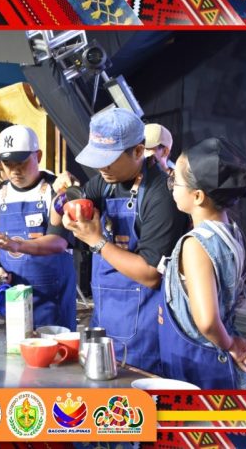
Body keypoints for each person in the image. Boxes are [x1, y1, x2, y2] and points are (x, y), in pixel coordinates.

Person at [62, 108, 188, 374]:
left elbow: (150, 274)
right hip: (105, 317)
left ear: (139, 151)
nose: (101, 167)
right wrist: (66, 203)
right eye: (97, 159)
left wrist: (97, 241)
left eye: (109, 159)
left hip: (144, 326)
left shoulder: (161, 194)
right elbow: (78, 197)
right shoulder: (105, 181)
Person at [160, 137, 246, 389]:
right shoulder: (232, 232)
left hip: (200, 364)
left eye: (175, 181)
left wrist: (230, 344)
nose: (171, 186)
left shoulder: (195, 245)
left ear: (197, 196)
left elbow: (206, 321)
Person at [0, 125, 77, 329]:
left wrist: (17, 245)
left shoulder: (57, 190)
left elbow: (58, 242)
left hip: (52, 302)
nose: (14, 170)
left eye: (21, 162)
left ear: (38, 156)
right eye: (8, 164)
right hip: (11, 301)